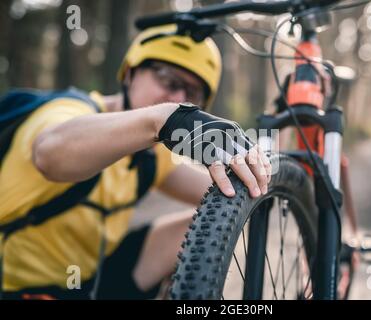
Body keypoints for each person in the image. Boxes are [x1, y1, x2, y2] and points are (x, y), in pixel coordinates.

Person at [0, 25, 270, 300]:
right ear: (129, 73)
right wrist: (163, 120)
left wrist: (276, 156)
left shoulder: (150, 158)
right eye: (169, 80)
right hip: (15, 288)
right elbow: (50, 154)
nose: (178, 99)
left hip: (88, 283)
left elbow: (234, 189)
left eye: (192, 94)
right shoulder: (69, 110)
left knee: (206, 215)